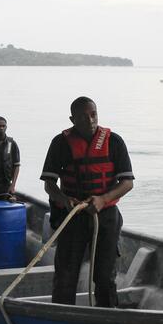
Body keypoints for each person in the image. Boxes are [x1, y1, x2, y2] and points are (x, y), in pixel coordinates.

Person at [40, 97, 134, 308]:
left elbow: (127, 183)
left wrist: (103, 199)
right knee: (66, 276)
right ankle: (61, 318)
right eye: (83, 117)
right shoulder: (60, 143)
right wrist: (64, 200)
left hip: (106, 216)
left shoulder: (114, 142)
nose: (90, 121)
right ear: (72, 119)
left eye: (93, 115)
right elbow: (49, 184)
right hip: (72, 216)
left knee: (105, 277)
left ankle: (109, 319)